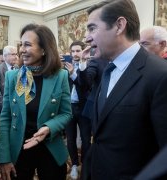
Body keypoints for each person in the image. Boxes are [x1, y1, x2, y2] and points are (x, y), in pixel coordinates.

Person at [82, 0, 167, 179]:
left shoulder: (160, 75)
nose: (86, 38)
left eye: (92, 28)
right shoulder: (108, 69)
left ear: (119, 26)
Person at [0, 23, 72, 180]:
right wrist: (4, 157)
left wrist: (48, 128)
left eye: (27, 45)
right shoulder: (13, 77)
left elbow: (66, 113)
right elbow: (5, 118)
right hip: (19, 148)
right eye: (21, 45)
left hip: (50, 146)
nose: (21, 50)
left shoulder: (60, 76)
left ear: (44, 49)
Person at [63, 41, 91, 180]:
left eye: (78, 50)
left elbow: (85, 86)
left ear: (83, 51)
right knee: (70, 138)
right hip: (68, 108)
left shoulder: (87, 66)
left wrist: (73, 73)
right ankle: (74, 164)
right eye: (73, 51)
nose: (75, 54)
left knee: (86, 139)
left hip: (83, 107)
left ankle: (85, 165)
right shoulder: (64, 68)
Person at [0, 45, 19, 154]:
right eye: (13, 54)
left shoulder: (17, 68)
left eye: (16, 54)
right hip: (2, 107)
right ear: (5, 56)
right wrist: (7, 107)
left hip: (16, 107)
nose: (16, 57)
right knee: (2, 131)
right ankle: (1, 151)